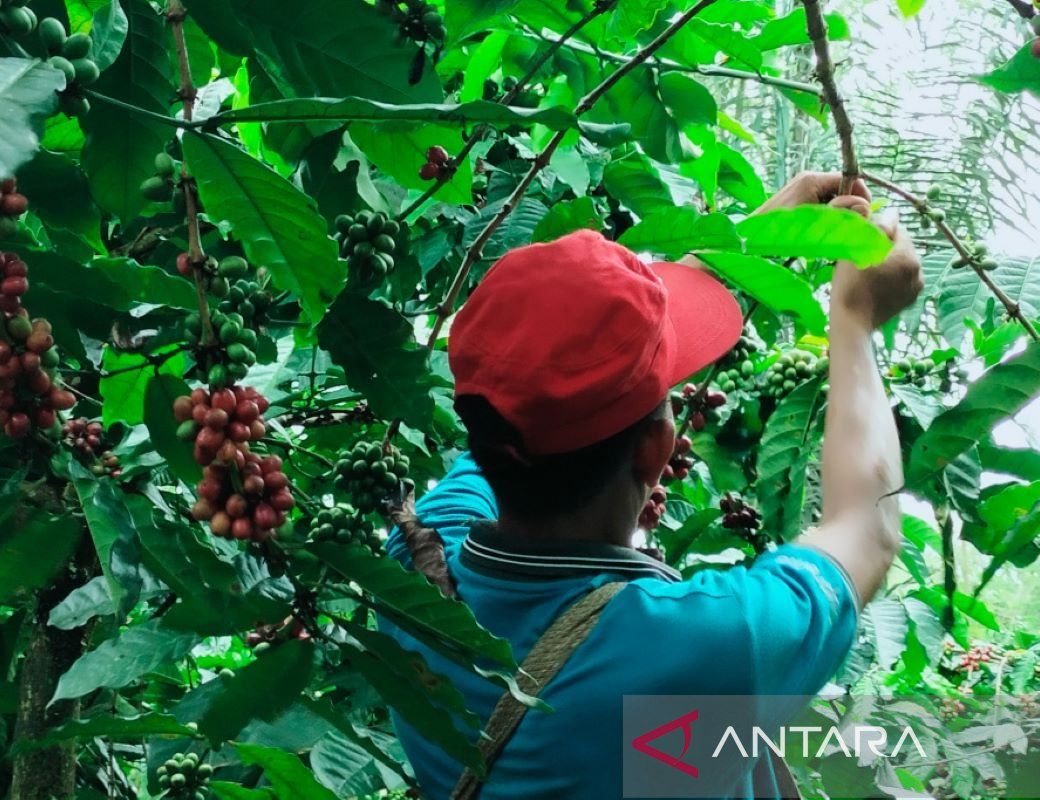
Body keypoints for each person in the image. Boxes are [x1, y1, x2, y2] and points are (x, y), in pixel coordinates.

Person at [380, 172, 924, 800]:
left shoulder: (417, 564)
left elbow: (545, 391)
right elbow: (869, 525)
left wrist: (756, 237)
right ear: (658, 450)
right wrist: (855, 319)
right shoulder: (694, 647)